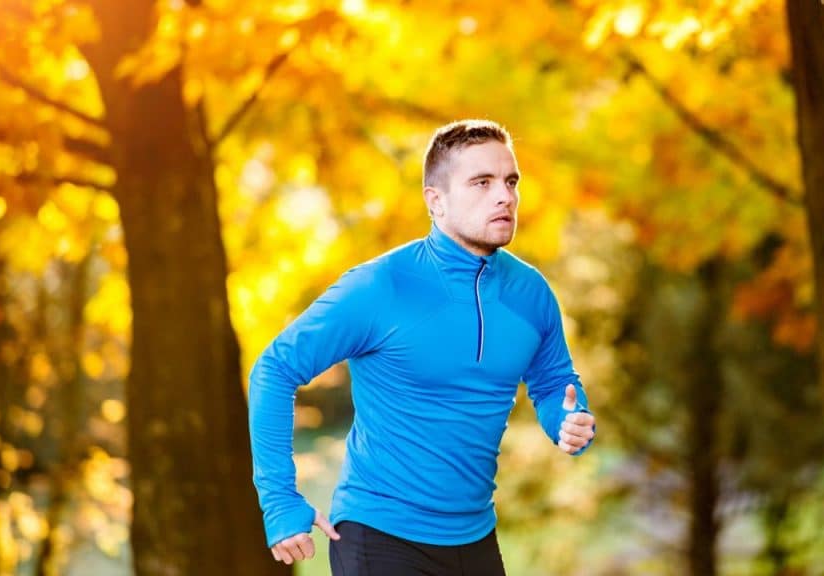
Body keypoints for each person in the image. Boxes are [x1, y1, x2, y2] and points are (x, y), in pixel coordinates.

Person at [248, 119, 596, 575]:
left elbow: (555, 383)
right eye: (481, 183)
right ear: (436, 201)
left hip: (475, 540)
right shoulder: (381, 286)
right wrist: (279, 501)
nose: (504, 196)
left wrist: (568, 419)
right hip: (380, 536)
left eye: (511, 182)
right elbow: (274, 369)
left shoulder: (530, 294)